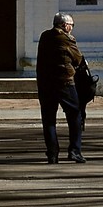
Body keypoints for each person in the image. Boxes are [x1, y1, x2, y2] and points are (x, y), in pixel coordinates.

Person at [36, 11, 88, 163]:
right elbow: (78, 59)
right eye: (71, 25)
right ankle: (75, 151)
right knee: (75, 115)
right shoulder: (66, 38)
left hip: (45, 84)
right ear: (65, 25)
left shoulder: (44, 36)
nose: (72, 28)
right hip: (64, 82)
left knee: (49, 119)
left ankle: (52, 154)